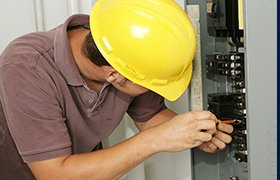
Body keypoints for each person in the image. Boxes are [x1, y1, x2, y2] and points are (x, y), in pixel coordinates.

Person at [0, 0, 233, 179]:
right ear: (113, 74)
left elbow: (150, 115)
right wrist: (155, 140)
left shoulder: (126, 45)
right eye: (150, 83)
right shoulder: (26, 68)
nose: (152, 89)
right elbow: (55, 174)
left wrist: (196, 132)